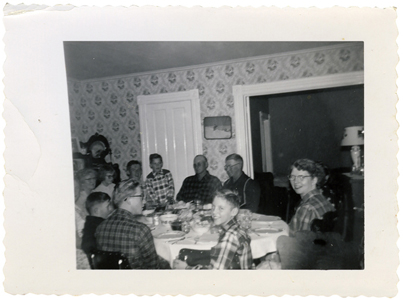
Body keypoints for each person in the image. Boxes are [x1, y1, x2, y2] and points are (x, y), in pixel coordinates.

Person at [174, 189, 253, 270]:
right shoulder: (237, 229)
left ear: (233, 212)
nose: (214, 212)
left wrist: (186, 268)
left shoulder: (229, 237)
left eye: (221, 208)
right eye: (213, 207)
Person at [95, 180, 160, 269]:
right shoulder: (141, 230)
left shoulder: (100, 227)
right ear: (129, 199)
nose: (144, 201)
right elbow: (154, 268)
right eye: (141, 196)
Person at [287, 158, 335, 236]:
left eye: (301, 177)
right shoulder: (323, 199)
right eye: (292, 177)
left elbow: (300, 242)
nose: (295, 181)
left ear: (314, 180)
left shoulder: (307, 208)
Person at [81, 192, 115, 258]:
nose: (111, 209)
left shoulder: (89, 224)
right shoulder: (101, 226)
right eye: (108, 207)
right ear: (96, 211)